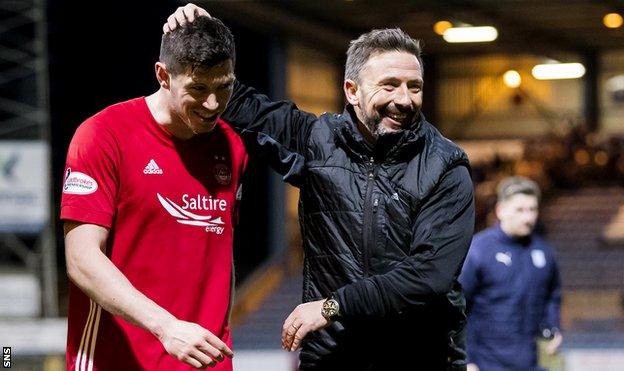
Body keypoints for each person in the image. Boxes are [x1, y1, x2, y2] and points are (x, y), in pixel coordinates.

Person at [167, 5, 475, 370]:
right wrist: (199, 32)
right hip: (333, 358)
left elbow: (428, 276)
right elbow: (237, 104)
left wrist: (333, 306)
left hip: (421, 358)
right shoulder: (317, 141)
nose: (404, 100)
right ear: (352, 90)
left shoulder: (446, 166)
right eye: (389, 85)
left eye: (414, 87)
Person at [61, 14, 246, 370]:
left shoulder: (232, 147)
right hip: (117, 360)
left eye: (223, 87)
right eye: (198, 89)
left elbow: (222, 255)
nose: (212, 104)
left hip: (204, 361)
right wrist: (167, 328)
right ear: (163, 75)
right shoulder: (104, 135)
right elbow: (81, 259)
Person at [459, 176, 562, 371]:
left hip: (533, 363)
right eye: (520, 210)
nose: (528, 217)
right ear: (501, 210)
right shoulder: (478, 250)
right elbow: (459, 308)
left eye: (533, 209)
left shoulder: (544, 252)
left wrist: (553, 326)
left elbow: (552, 296)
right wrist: (467, 360)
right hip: (487, 364)